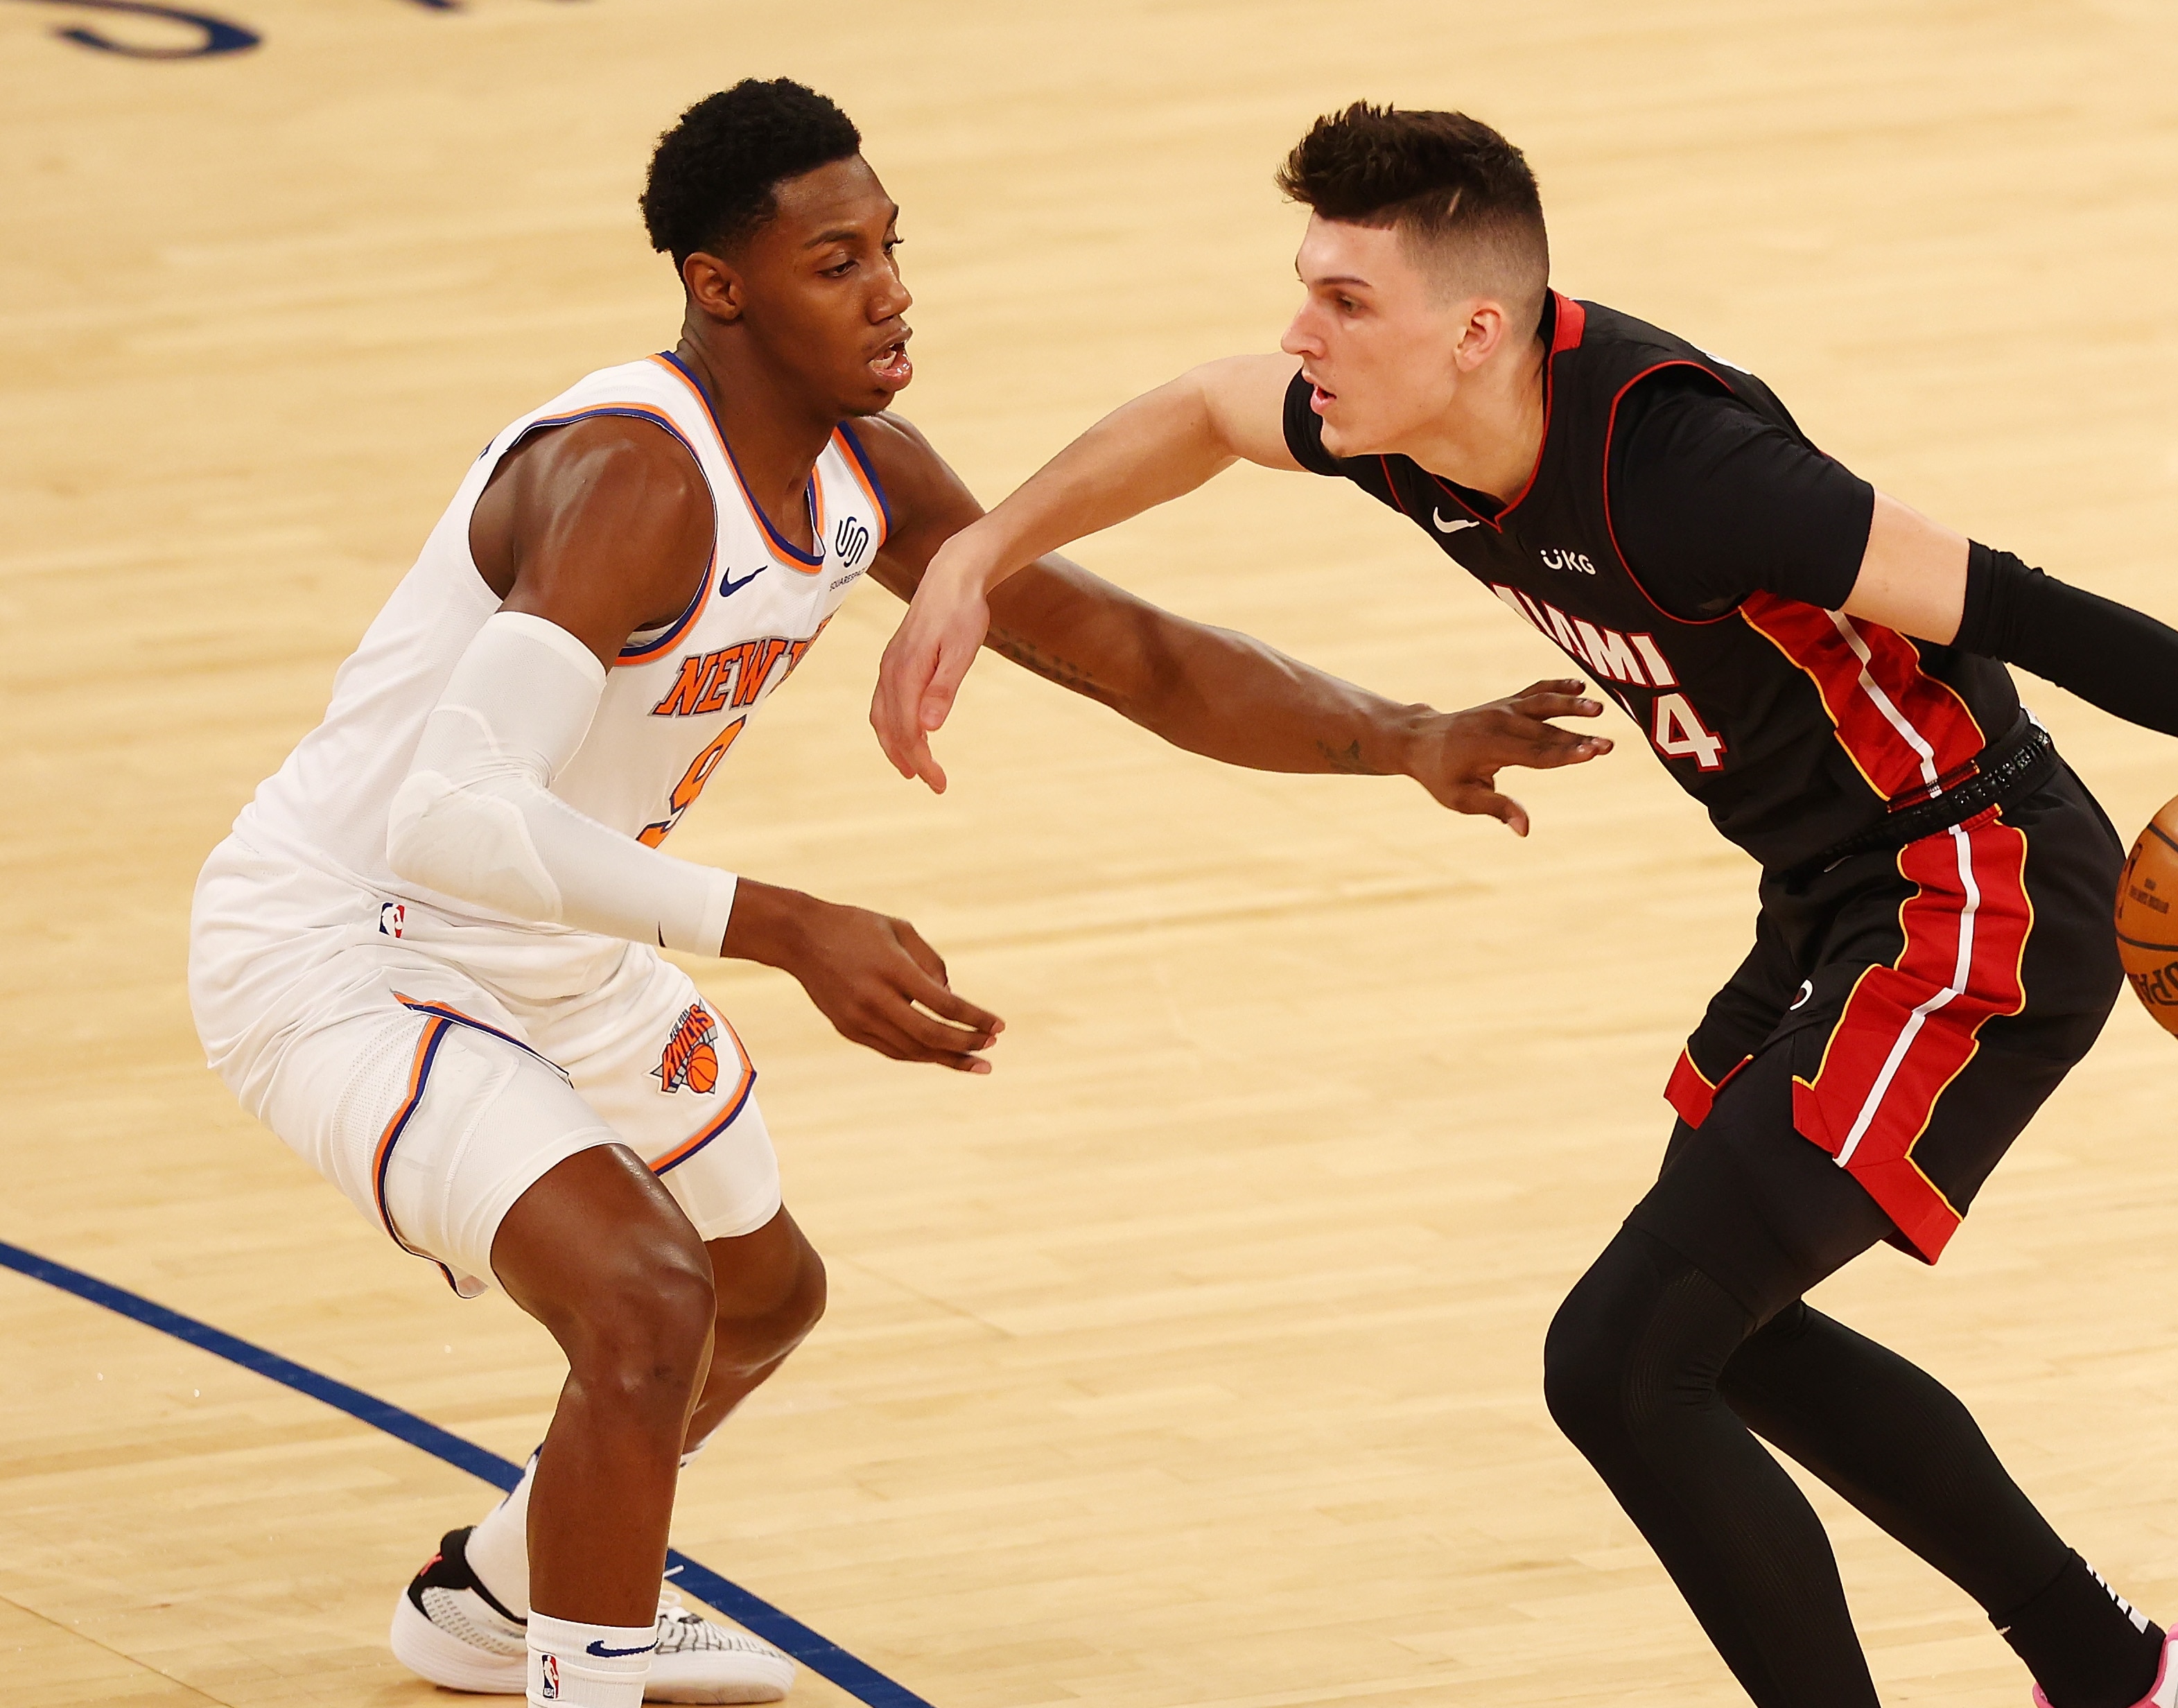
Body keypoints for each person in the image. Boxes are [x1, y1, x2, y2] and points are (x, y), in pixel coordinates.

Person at [869, 101, 2178, 1708]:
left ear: (1476, 333)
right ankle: (2129, 1677)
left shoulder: (1692, 473)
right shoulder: (1402, 426)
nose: (1300, 337)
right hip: (1828, 898)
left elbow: (2020, 605)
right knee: (1721, 1339)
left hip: (1975, 890)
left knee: (1621, 1361)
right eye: (1305, 290)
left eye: (1344, 301)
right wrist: (977, 554)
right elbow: (1205, 410)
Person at [186, 81, 1605, 1708]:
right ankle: (589, 1666)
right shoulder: (632, 477)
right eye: (836, 262)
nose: (890, 291)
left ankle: (497, 1598)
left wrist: (1406, 736)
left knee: (757, 1299)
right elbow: (449, 818)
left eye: (889, 248)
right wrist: (786, 925)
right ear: (720, 288)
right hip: (350, 943)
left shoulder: (869, 473)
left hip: (554, 924)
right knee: (645, 1300)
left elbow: (1132, 654)